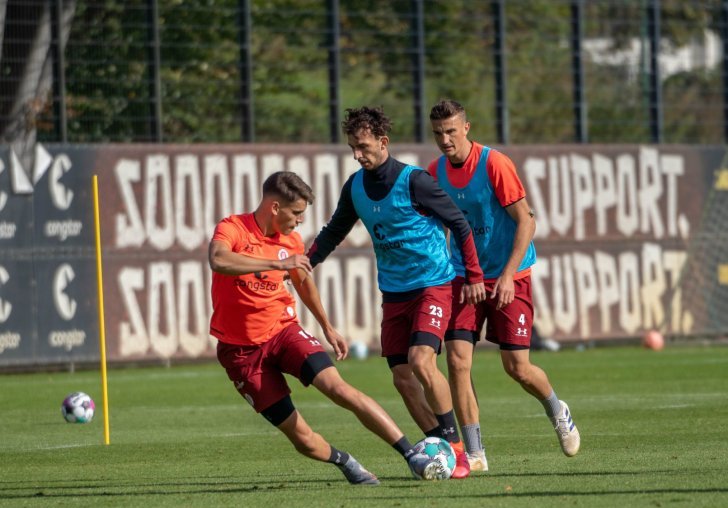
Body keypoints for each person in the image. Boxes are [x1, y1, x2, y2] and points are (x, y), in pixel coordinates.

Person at [209, 171, 449, 484]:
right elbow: (218, 260)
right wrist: (278, 264)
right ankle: (347, 463)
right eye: (296, 213)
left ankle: (411, 454)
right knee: (303, 439)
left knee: (339, 389)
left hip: (284, 333)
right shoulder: (233, 228)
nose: (299, 222)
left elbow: (304, 284)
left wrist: (327, 327)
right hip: (241, 353)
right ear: (275, 208)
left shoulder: (292, 241)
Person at [307, 106, 486, 479]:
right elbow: (334, 231)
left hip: (433, 285)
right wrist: (306, 262)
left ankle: (457, 449)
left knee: (422, 361)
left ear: (383, 142)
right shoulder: (355, 187)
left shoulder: (415, 181)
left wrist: (472, 276)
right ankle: (442, 450)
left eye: (363, 146)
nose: (357, 154)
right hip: (394, 293)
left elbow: (459, 224)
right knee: (402, 378)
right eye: (353, 148)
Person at [426, 99, 580, 472]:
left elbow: (527, 221)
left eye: (451, 131)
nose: (445, 140)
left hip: (511, 273)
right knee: (458, 362)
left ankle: (557, 408)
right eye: (438, 134)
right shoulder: (434, 172)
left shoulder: (494, 164)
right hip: (464, 275)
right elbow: (437, 228)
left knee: (517, 367)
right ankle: (475, 453)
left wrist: (509, 275)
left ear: (466, 128)